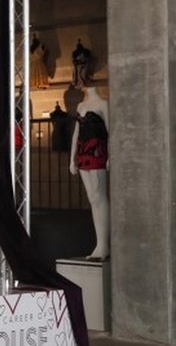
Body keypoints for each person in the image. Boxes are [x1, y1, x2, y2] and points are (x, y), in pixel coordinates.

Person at [69, 85, 109, 261]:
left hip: (97, 152)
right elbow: (76, 134)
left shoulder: (103, 104)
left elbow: (110, 130)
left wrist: (110, 155)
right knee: (93, 199)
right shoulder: (80, 106)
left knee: (100, 197)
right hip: (83, 153)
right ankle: (99, 244)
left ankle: (103, 244)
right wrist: (72, 159)